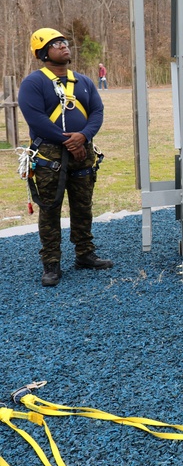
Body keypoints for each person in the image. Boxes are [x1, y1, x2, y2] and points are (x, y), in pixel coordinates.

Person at [19, 28, 111, 287]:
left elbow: (97, 112)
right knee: (50, 209)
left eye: (64, 42)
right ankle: (51, 263)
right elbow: (35, 118)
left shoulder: (83, 81)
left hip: (83, 151)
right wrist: (68, 141)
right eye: (56, 43)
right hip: (50, 155)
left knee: (83, 205)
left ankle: (85, 254)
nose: (64, 46)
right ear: (43, 52)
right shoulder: (33, 83)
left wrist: (83, 136)